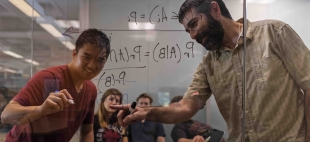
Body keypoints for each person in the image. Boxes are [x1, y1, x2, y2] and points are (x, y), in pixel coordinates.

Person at [111, 0, 310, 141]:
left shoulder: (273, 33)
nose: (192, 35)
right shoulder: (208, 65)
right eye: (188, 30)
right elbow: (184, 108)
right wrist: (147, 112)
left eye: (194, 24)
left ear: (214, 9)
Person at [1, 29, 110, 142]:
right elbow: (6, 116)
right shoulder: (49, 79)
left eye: (100, 60)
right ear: (74, 54)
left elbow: (87, 131)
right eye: (86, 57)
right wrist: (40, 110)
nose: (93, 65)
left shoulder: (90, 90)